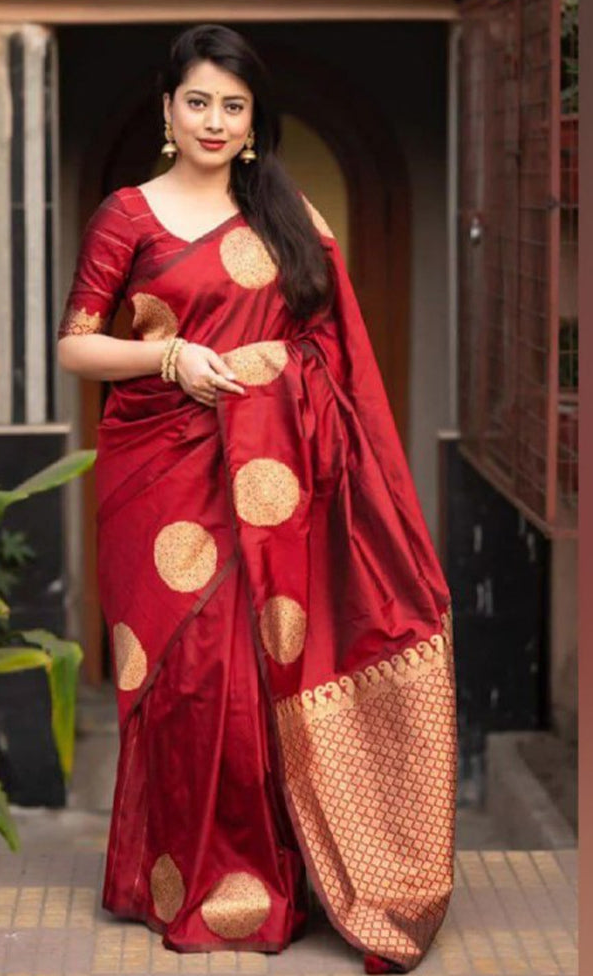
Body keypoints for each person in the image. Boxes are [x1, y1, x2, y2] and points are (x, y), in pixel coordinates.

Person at [57, 23, 458, 975]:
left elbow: (335, 352)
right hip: (157, 477)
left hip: (273, 484)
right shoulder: (128, 214)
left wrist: (270, 367)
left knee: (249, 680)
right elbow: (78, 343)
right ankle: (171, 877)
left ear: (251, 121)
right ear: (166, 109)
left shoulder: (285, 212)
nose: (214, 120)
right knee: (187, 682)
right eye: (197, 100)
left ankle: (263, 881)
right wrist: (170, 355)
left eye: (232, 106)